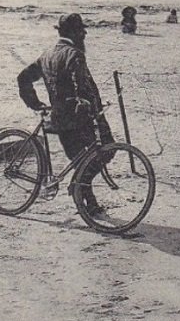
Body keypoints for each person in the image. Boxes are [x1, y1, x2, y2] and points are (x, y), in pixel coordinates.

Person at [16, 13, 113, 214]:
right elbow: (83, 87)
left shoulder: (47, 54)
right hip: (77, 119)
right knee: (108, 148)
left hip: (59, 120)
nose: (84, 35)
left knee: (80, 159)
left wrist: (36, 104)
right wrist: (95, 111)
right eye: (81, 31)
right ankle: (78, 186)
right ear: (74, 33)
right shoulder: (74, 54)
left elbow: (23, 78)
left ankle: (89, 203)